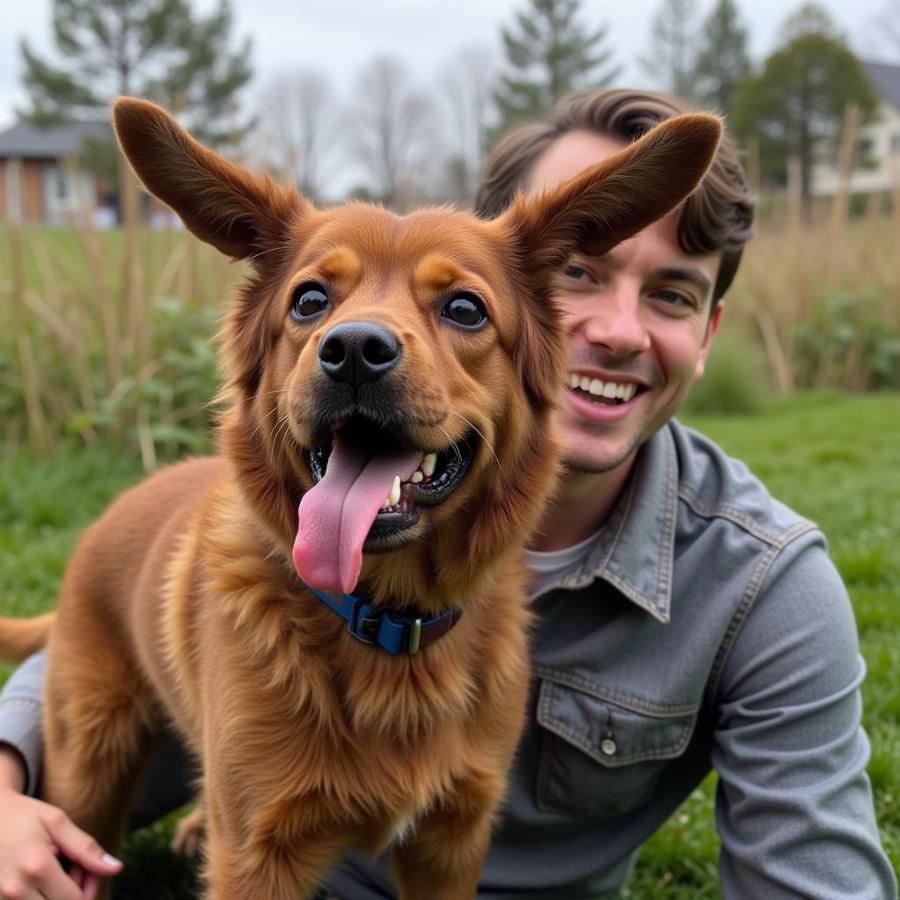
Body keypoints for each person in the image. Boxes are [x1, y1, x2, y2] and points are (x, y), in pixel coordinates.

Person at [0, 88, 895, 900]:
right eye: (579, 271)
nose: (613, 332)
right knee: (77, 840)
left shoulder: (762, 589)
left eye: (461, 310)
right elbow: (101, 629)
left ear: (709, 335)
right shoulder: (234, 575)